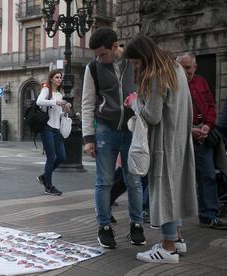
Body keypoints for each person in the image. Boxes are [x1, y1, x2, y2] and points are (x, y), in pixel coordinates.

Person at [124, 34, 197, 263]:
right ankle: (176, 239)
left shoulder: (157, 74)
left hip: (163, 142)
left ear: (144, 56)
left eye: (136, 62)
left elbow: (153, 115)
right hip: (179, 138)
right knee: (172, 190)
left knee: (164, 192)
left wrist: (136, 102)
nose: (135, 67)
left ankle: (167, 248)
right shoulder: (174, 68)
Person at [81, 27, 145, 249]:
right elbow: (88, 102)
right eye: (97, 55)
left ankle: (137, 225)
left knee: (134, 181)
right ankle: (104, 227)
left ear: (116, 46)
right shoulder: (93, 68)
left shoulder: (134, 63)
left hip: (132, 130)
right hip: (106, 129)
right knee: (104, 181)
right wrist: (88, 138)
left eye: (103, 54)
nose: (99, 58)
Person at [177, 53, 227, 230]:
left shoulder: (201, 82)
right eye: (182, 67)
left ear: (195, 67)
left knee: (208, 175)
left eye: (188, 67)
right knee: (176, 176)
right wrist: (189, 130)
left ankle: (208, 214)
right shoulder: (175, 85)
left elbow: (211, 106)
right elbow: (173, 115)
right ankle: (151, 209)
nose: (185, 71)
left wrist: (208, 124)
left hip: (203, 135)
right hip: (184, 136)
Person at [36, 69, 69, 196]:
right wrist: (55, 102)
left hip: (57, 129)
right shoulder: (46, 90)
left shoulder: (59, 95)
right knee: (51, 157)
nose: (59, 79)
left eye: (60, 77)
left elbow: (58, 113)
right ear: (51, 79)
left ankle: (44, 177)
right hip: (47, 128)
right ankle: (48, 187)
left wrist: (65, 110)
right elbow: (39, 102)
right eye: (57, 77)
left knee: (61, 157)